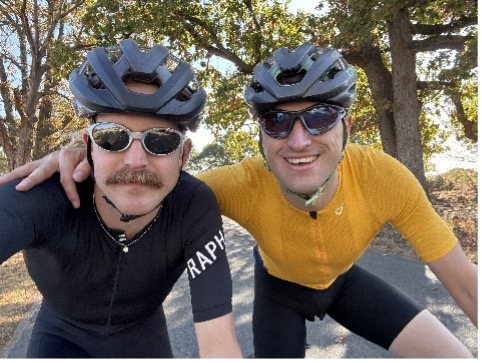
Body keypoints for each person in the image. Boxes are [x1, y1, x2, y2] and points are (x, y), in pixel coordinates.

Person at [1, 42, 477, 358]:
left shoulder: (388, 180)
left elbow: (467, 286)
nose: (298, 140)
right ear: (261, 138)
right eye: (276, 123)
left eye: (319, 118)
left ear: (347, 127)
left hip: (346, 283)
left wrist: (98, 146)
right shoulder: (221, 187)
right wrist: (74, 152)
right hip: (276, 293)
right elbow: (144, 172)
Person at [0, 39, 241, 358]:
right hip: (60, 334)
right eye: (112, 138)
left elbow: (219, 344)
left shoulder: (195, 206)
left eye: (160, 140)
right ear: (88, 146)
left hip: (142, 335)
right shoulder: (43, 196)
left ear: (183, 156)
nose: (135, 161)